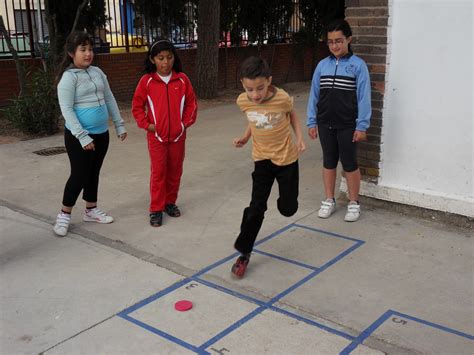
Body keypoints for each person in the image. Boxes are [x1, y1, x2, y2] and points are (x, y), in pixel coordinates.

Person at [231, 56, 306, 278]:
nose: (255, 95)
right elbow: (254, 120)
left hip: (286, 160)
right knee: (256, 207)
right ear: (243, 85)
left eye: (260, 88)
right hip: (262, 158)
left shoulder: (282, 98)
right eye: (249, 89)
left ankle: (285, 200)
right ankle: (244, 252)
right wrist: (245, 138)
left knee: (288, 209)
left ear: (269, 81)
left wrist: (299, 138)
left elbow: (292, 115)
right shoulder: (243, 101)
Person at [53, 31, 127, 237]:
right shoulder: (68, 78)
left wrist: (119, 125)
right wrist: (83, 136)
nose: (88, 54)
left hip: (102, 134)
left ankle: (91, 210)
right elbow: (67, 111)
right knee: (79, 175)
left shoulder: (97, 73)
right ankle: (64, 214)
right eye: (83, 50)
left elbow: (110, 98)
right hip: (79, 136)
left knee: (93, 172)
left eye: (90, 49)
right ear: (71, 53)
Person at [307, 19, 371, 222]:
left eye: (339, 41)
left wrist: (362, 125)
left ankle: (353, 202)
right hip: (325, 123)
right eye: (330, 42)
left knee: (350, 164)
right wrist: (311, 121)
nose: (335, 45)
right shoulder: (321, 66)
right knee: (328, 162)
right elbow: (314, 95)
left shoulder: (358, 66)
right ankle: (329, 200)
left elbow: (364, 97)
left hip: (348, 125)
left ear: (348, 39)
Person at [132, 39, 197, 227]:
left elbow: (192, 104)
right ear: (153, 60)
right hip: (156, 138)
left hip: (178, 137)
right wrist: (147, 125)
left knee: (175, 171)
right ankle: (156, 209)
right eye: (161, 58)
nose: (166, 62)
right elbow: (137, 106)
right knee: (159, 172)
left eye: (169, 57)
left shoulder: (183, 80)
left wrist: (184, 124)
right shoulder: (147, 81)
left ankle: (170, 203)